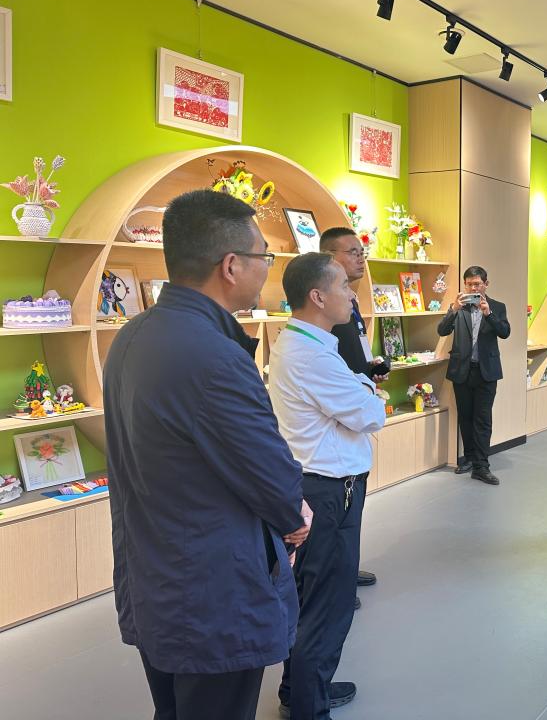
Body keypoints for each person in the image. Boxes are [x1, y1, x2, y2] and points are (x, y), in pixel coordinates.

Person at [103, 189, 309, 720]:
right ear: (231, 265)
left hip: (155, 575)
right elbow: (270, 475)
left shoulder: (132, 335)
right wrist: (296, 517)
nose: (267, 268)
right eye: (264, 256)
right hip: (214, 590)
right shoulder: (215, 355)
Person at [269, 252, 386, 719]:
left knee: (308, 598)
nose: (352, 294)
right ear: (317, 296)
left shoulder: (305, 342)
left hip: (317, 485)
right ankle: (308, 707)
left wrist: (360, 387)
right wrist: (368, 391)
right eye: (344, 285)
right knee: (328, 605)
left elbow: (354, 394)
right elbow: (370, 414)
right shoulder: (311, 355)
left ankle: (298, 689)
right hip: (330, 491)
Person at [320, 227, 388, 594]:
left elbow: (354, 351)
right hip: (339, 410)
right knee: (339, 507)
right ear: (329, 258)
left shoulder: (350, 301)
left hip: (356, 401)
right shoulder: (327, 309)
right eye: (352, 252)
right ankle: (337, 581)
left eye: (362, 251)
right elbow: (335, 363)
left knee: (352, 508)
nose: (361, 258)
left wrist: (369, 368)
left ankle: (346, 568)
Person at [437, 266, 511, 485]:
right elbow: (442, 330)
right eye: (469, 284)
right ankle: (469, 459)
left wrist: (489, 314)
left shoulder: (497, 307)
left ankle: (482, 466)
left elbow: (505, 332)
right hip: (462, 370)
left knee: (483, 419)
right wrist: (453, 309)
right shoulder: (459, 307)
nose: (473, 288)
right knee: (466, 417)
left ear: (486, 284)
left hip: (487, 371)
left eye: (477, 284)